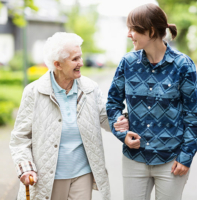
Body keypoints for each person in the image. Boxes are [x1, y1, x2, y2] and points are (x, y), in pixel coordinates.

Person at [9, 32, 128, 200]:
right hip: (49, 177)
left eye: (80, 57)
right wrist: (26, 168)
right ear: (57, 64)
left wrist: (120, 120)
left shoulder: (90, 88)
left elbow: (105, 118)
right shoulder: (34, 92)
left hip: (82, 174)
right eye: (75, 59)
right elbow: (20, 138)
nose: (81, 63)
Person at [106, 3, 197, 200]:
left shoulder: (182, 65)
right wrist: (120, 131)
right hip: (134, 158)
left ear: (151, 31)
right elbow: (112, 102)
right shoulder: (127, 63)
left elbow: (194, 116)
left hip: (171, 160)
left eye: (133, 29)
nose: (129, 34)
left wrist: (186, 156)